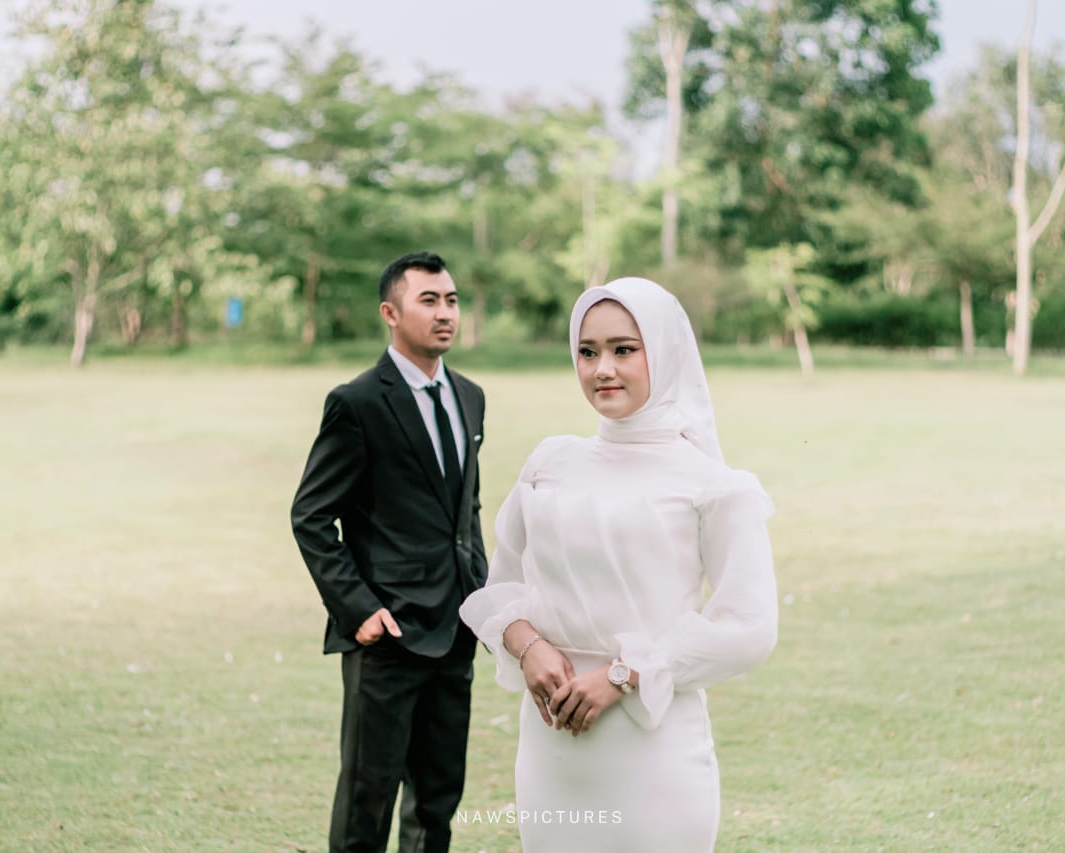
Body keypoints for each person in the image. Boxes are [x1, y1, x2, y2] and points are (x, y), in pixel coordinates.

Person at [459, 276, 778, 852]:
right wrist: (528, 646)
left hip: (653, 751)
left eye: (623, 349)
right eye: (588, 352)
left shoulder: (712, 484)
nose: (602, 369)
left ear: (666, 353)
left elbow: (750, 627)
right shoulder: (549, 463)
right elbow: (501, 584)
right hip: (552, 750)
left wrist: (624, 675)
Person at [291, 251, 487, 853]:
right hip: (388, 634)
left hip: (456, 629)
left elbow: (465, 511)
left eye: (451, 300)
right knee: (366, 800)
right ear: (390, 313)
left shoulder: (471, 397)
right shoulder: (357, 403)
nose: (445, 313)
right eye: (428, 300)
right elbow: (311, 515)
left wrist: (481, 592)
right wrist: (359, 610)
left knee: (437, 799)